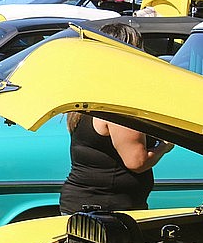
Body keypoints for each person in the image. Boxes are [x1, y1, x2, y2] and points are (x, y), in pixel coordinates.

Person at [59, 22, 175, 214]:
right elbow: (136, 162)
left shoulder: (89, 93)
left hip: (88, 203)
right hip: (104, 210)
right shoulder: (116, 105)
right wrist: (164, 146)